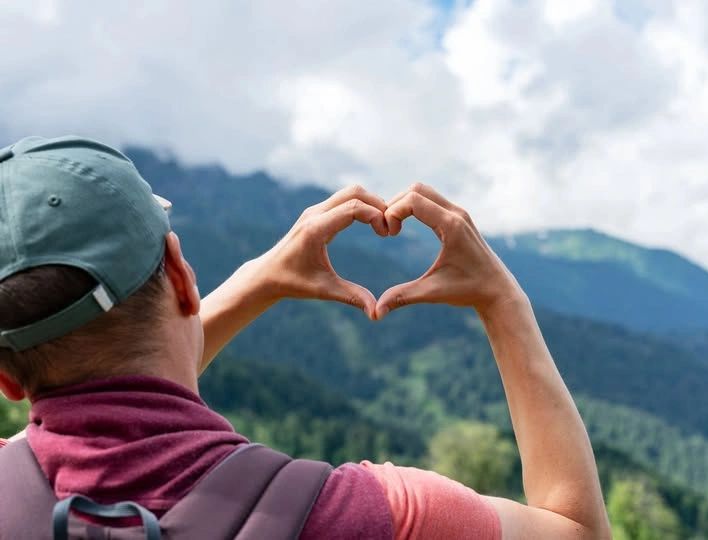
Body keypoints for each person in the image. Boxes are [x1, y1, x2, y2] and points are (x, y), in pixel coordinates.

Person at [0, 136, 610, 539]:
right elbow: (575, 530)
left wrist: (256, 282)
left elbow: (101, 421)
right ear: (184, 279)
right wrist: (504, 301)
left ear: (6, 379)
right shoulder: (376, 514)